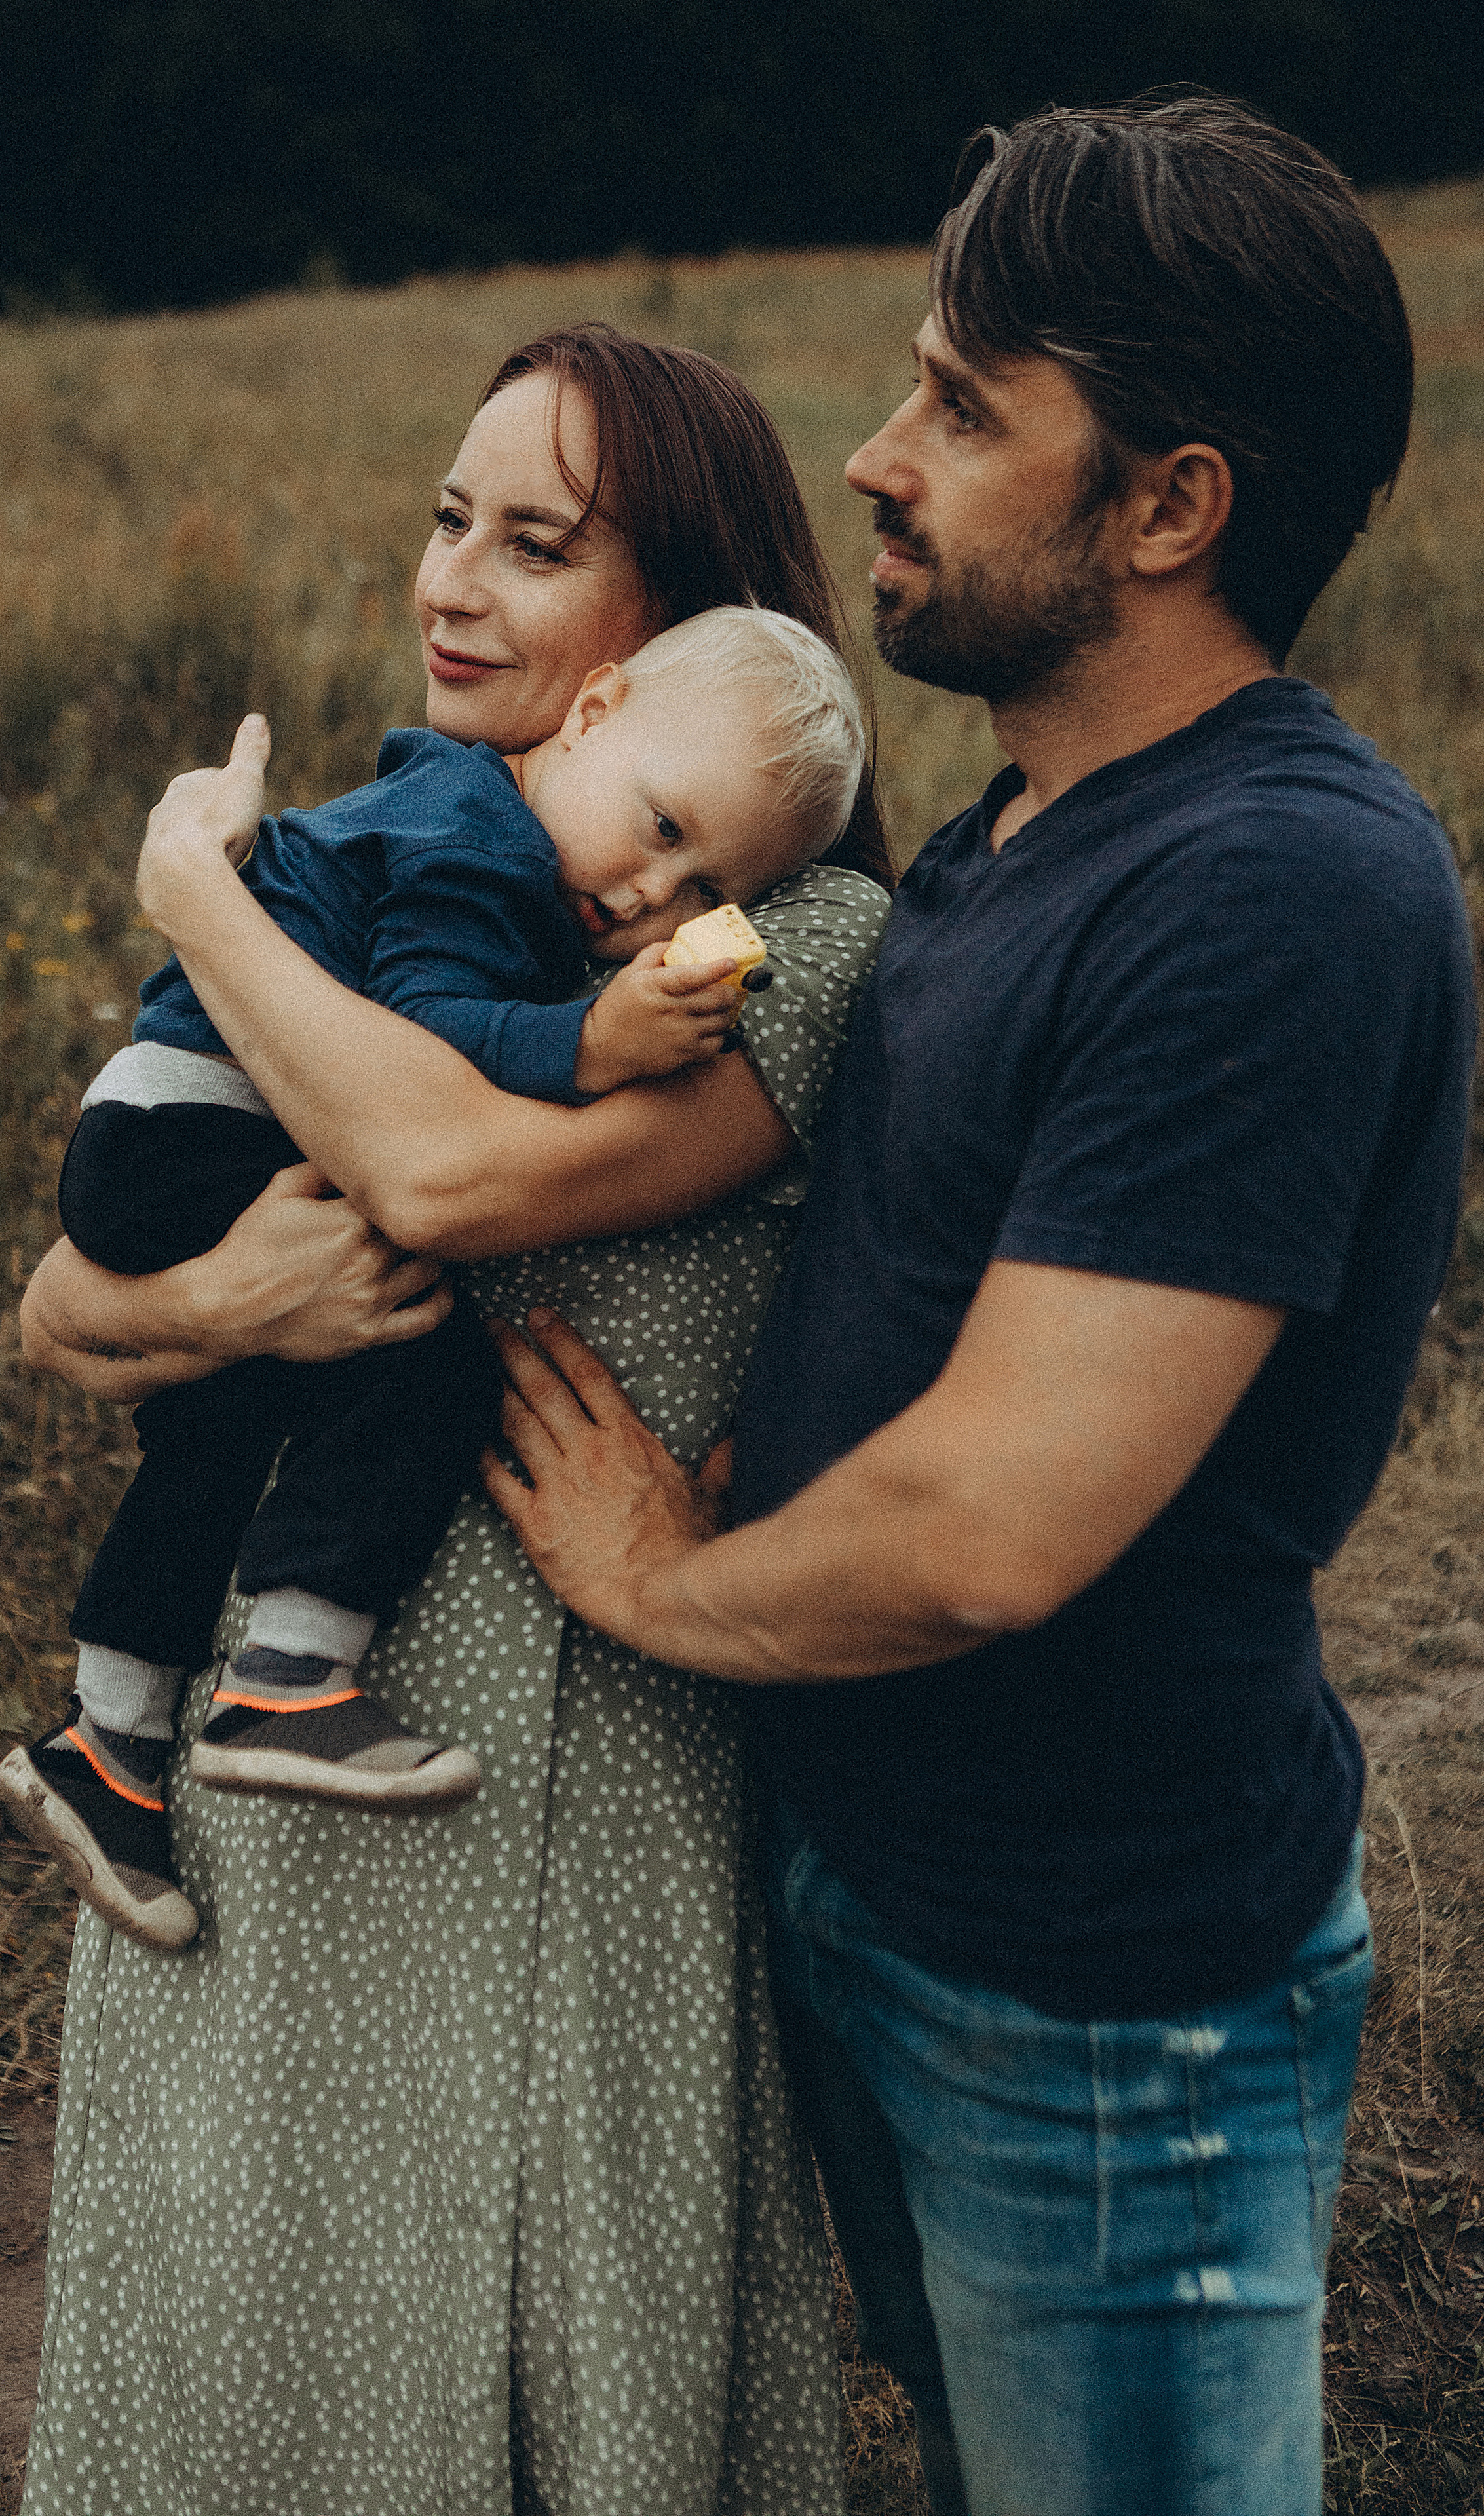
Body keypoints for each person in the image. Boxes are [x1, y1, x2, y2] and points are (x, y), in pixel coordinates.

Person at [478, 101, 1477, 2516]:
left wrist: (657, 1577)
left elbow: (1000, 1521)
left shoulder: (1271, 891)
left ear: (1170, 506)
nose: (876, 456)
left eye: (962, 407)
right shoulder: (1032, 825)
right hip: (891, 1899)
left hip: (1099, 2001)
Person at [16, 325, 892, 2516]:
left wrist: (195, 890)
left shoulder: (791, 938)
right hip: (267, 1782)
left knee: (538, 2398)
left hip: (566, 1804)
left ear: (670, 627)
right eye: (445, 521)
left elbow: (437, 1171)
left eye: (534, 542)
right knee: (247, 2374)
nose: (453, 587)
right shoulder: (413, 850)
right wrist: (216, 1294)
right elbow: (60, 1294)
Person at [0, 605, 864, 1956]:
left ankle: (106, 1743)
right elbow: (422, 1041)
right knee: (425, 1357)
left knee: (221, 1426)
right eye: (660, 829)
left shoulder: (523, 828)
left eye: (703, 891)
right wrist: (591, 1040)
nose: (651, 899)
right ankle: (286, 1674)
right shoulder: (481, 842)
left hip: (155, 1117)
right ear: (593, 710)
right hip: (202, 1127)